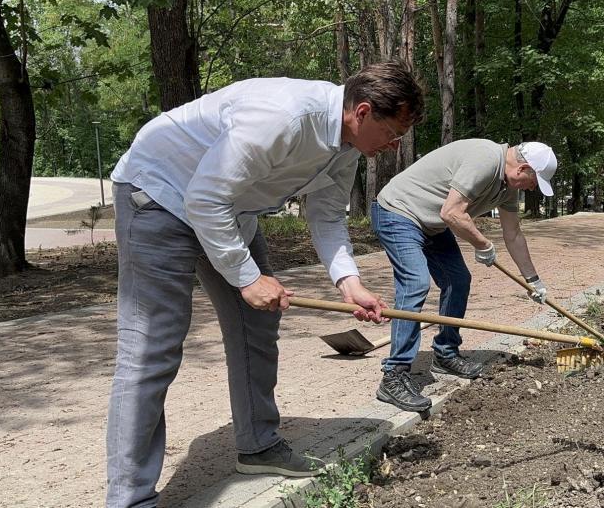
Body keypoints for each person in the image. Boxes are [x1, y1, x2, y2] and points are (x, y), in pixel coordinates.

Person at [105, 61, 425, 508]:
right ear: (363, 112)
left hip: (230, 211)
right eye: (392, 133)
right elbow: (204, 197)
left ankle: (258, 445)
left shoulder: (348, 144)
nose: (393, 146)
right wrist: (247, 278)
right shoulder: (284, 117)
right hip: (159, 196)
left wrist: (348, 282)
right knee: (152, 346)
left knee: (257, 325)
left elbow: (326, 214)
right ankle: (130, 498)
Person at [370, 139, 557, 412]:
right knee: (415, 282)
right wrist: (483, 244)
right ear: (523, 168)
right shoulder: (485, 160)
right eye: (534, 182)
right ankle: (394, 375)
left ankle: (445, 353)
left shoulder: (507, 187)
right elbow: (452, 212)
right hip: (399, 212)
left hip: (432, 224)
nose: (531, 188)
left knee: (458, 280)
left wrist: (533, 280)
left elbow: (513, 233)